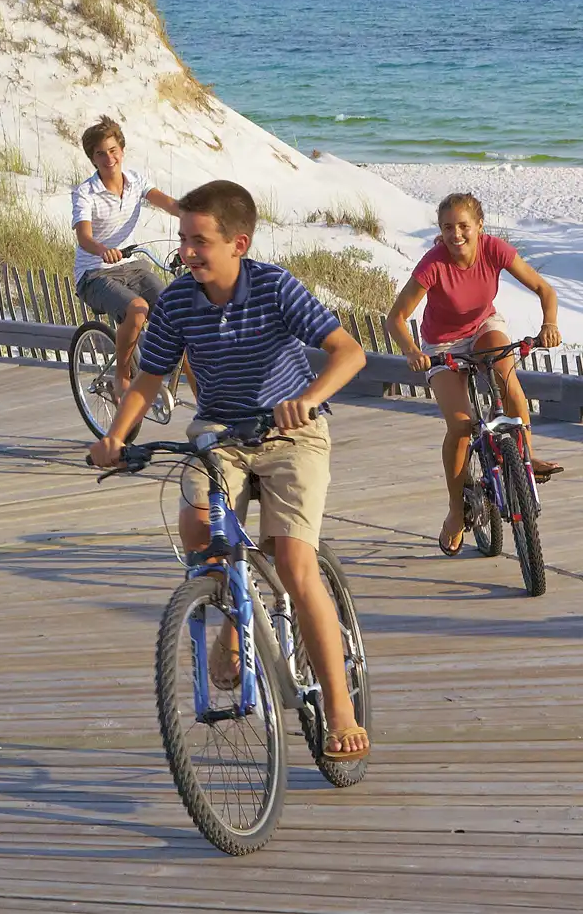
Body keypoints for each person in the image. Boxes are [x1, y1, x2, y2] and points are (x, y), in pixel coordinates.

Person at [88, 180, 371, 759]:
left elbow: (350, 352)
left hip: (292, 433)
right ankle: (231, 611)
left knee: (293, 560)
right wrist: (117, 435)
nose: (186, 253)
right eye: (183, 240)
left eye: (200, 241)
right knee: (197, 527)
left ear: (238, 244)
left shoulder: (273, 286)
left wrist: (309, 397)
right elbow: (148, 379)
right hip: (221, 435)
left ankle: (340, 708)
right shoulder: (177, 302)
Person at [385, 193, 563, 558]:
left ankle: (525, 458)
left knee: (505, 374)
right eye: (448, 227)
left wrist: (549, 324)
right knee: (462, 426)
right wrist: (412, 351)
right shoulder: (433, 264)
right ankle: (455, 512)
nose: (456, 234)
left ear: (479, 226)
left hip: (483, 327)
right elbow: (396, 318)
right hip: (441, 345)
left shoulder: (495, 249)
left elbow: (545, 290)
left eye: (464, 226)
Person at [72, 117, 183, 398]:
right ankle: (122, 375)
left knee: (176, 314)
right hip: (95, 272)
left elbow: (167, 202)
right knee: (137, 309)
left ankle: (205, 407)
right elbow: (84, 237)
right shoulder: (85, 193)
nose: (109, 158)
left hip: (132, 264)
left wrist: (192, 216)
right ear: (92, 158)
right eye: (100, 153)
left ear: (121, 149)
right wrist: (102, 249)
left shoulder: (135, 181)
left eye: (113, 150)